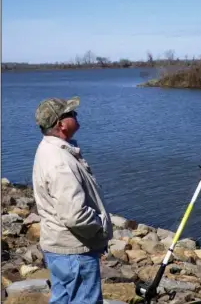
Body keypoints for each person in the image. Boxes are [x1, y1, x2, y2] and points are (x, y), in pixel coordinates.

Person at [32, 96, 113, 304]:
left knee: (63, 299)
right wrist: (100, 228)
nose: (76, 115)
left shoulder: (51, 149)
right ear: (60, 124)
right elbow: (75, 215)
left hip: (59, 248)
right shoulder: (59, 161)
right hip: (74, 251)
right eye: (70, 113)